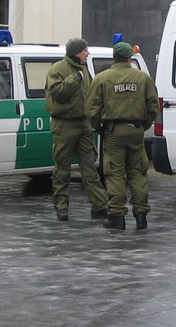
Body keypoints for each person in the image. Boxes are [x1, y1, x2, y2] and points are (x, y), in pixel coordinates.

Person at [86, 42, 159, 231]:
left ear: (114, 58)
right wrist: (143, 125)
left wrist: (100, 128)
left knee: (115, 173)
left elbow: (92, 109)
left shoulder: (102, 78)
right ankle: (141, 215)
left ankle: (117, 216)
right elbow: (153, 106)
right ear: (129, 58)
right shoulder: (143, 78)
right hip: (136, 131)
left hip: (113, 132)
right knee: (138, 172)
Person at [45, 38, 109, 222]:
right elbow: (57, 93)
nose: (88, 53)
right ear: (76, 52)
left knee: (90, 169)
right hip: (64, 124)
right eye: (85, 50)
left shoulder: (85, 70)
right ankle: (62, 206)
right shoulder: (57, 69)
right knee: (62, 169)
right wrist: (74, 78)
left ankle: (99, 206)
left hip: (84, 124)